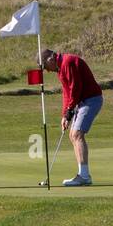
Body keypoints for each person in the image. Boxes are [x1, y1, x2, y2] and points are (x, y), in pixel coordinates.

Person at [39, 48, 103, 186]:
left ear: (50, 59)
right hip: (82, 101)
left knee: (77, 134)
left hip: (91, 99)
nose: (47, 71)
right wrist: (65, 115)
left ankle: (84, 177)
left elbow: (76, 88)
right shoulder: (61, 69)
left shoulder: (67, 62)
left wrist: (69, 111)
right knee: (72, 135)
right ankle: (83, 174)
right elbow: (67, 93)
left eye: (45, 67)